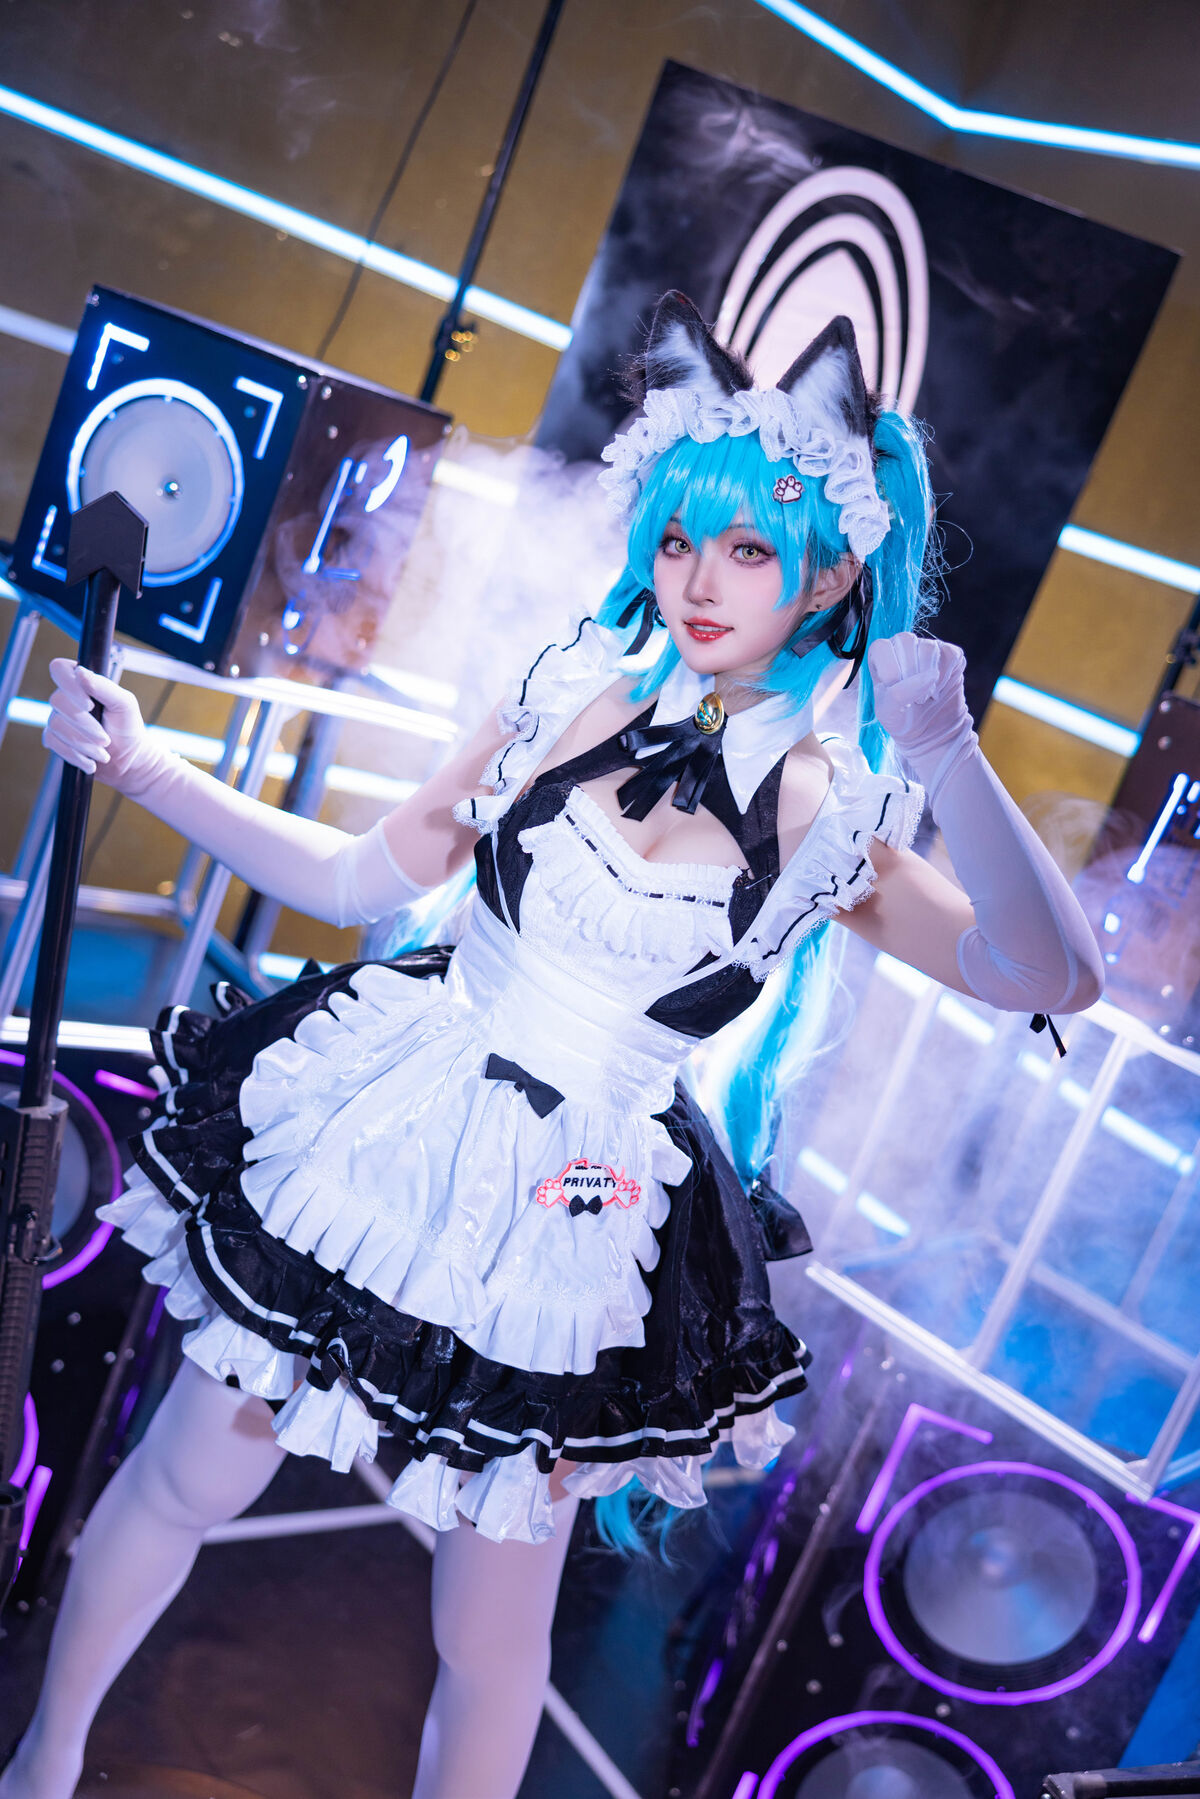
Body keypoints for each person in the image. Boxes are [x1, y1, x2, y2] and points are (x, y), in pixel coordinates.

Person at [2, 293, 1103, 1799]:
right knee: (190, 1468)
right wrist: (145, 764)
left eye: (749, 551)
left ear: (833, 573)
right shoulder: (568, 690)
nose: (697, 580)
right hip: (401, 1108)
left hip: (577, 1210)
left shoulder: (825, 811)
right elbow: (354, 875)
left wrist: (947, 753)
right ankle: (41, 1768)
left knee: (489, 1628)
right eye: (680, 538)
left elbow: (1051, 973)